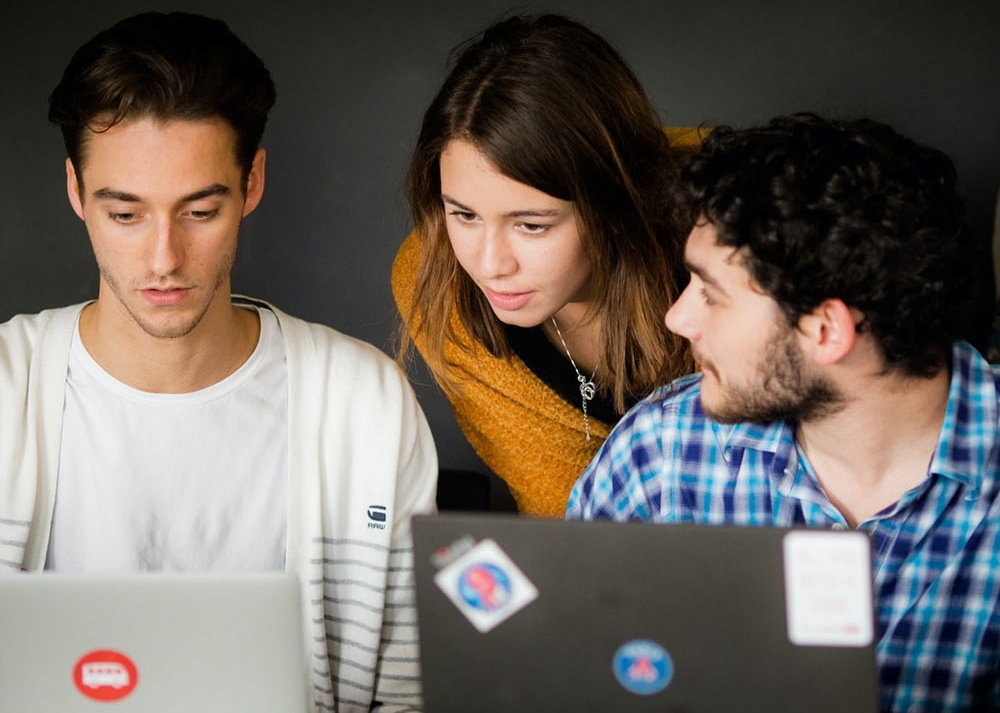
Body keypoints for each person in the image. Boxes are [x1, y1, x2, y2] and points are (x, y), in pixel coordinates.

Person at [0, 12, 436, 713]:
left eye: (200, 211)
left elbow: (409, 693)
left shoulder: (366, 406)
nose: (164, 258)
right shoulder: (5, 388)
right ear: (77, 191)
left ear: (252, 182)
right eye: (125, 214)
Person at [567, 112, 1000, 711]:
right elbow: (565, 668)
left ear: (825, 330)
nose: (678, 319)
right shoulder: (657, 454)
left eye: (710, 295)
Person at [392, 13, 696, 516]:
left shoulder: (731, 230)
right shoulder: (436, 278)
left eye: (532, 225)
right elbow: (563, 518)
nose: (490, 265)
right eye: (463, 215)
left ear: (614, 200)